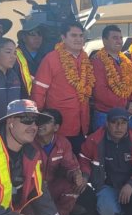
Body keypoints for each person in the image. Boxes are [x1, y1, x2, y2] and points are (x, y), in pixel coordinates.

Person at [31, 21, 93, 154]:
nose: (78, 39)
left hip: (82, 123)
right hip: (59, 125)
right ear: (63, 37)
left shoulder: (85, 59)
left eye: (81, 36)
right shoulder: (51, 59)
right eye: (73, 35)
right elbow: (38, 91)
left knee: (76, 159)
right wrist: (39, 119)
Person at [37, 109, 87, 215]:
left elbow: (71, 167)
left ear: (56, 127)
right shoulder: (29, 143)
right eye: (40, 120)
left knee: (74, 183)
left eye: (47, 121)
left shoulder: (63, 143)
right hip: (34, 189)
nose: (41, 124)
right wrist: (37, 183)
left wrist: (76, 176)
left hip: (53, 186)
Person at [91, 24, 132, 129]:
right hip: (105, 115)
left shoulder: (126, 61)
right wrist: (126, 104)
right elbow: (100, 92)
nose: (119, 41)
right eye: (115, 38)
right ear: (104, 41)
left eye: (120, 38)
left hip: (124, 114)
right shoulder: (97, 60)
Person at [15, 20, 50, 95]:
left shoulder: (47, 56)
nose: (37, 37)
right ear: (23, 37)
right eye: (32, 34)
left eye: (40, 34)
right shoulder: (14, 56)